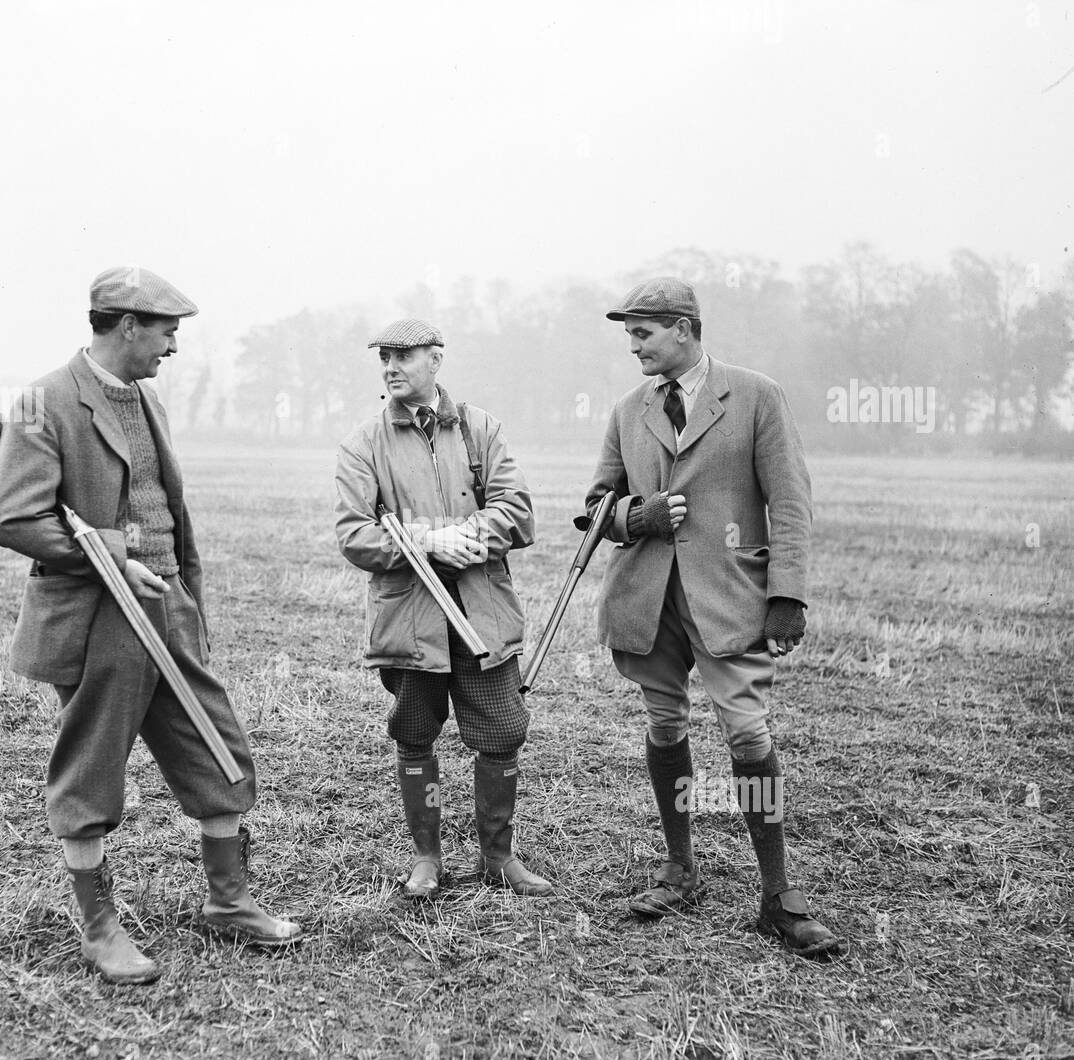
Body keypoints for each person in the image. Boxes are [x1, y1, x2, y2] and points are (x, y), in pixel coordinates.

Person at [0, 266, 301, 985]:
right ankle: (99, 927)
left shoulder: (147, 400)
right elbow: (14, 520)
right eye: (167, 332)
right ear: (128, 325)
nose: (174, 348)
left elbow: (165, 506)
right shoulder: (44, 403)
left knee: (219, 750)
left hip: (170, 612)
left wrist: (185, 598)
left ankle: (229, 902)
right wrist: (109, 555)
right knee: (91, 774)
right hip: (101, 617)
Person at [585, 277, 840, 957]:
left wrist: (787, 594)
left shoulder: (756, 395)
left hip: (730, 599)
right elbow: (595, 509)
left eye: (642, 331)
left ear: (683, 328)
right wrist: (633, 516)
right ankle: (680, 871)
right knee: (663, 724)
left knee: (749, 736)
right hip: (649, 599)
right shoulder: (626, 409)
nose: (632, 344)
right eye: (629, 333)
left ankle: (779, 899)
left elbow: (789, 500)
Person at [334, 318, 552, 899]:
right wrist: (427, 542)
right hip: (410, 622)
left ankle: (498, 857)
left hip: (483, 616)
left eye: (404, 356)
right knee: (414, 733)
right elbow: (354, 536)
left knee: (502, 732)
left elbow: (519, 511)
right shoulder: (363, 443)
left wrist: (469, 533)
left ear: (437, 360)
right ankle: (426, 858)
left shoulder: (481, 428)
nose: (391, 367)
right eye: (384, 357)